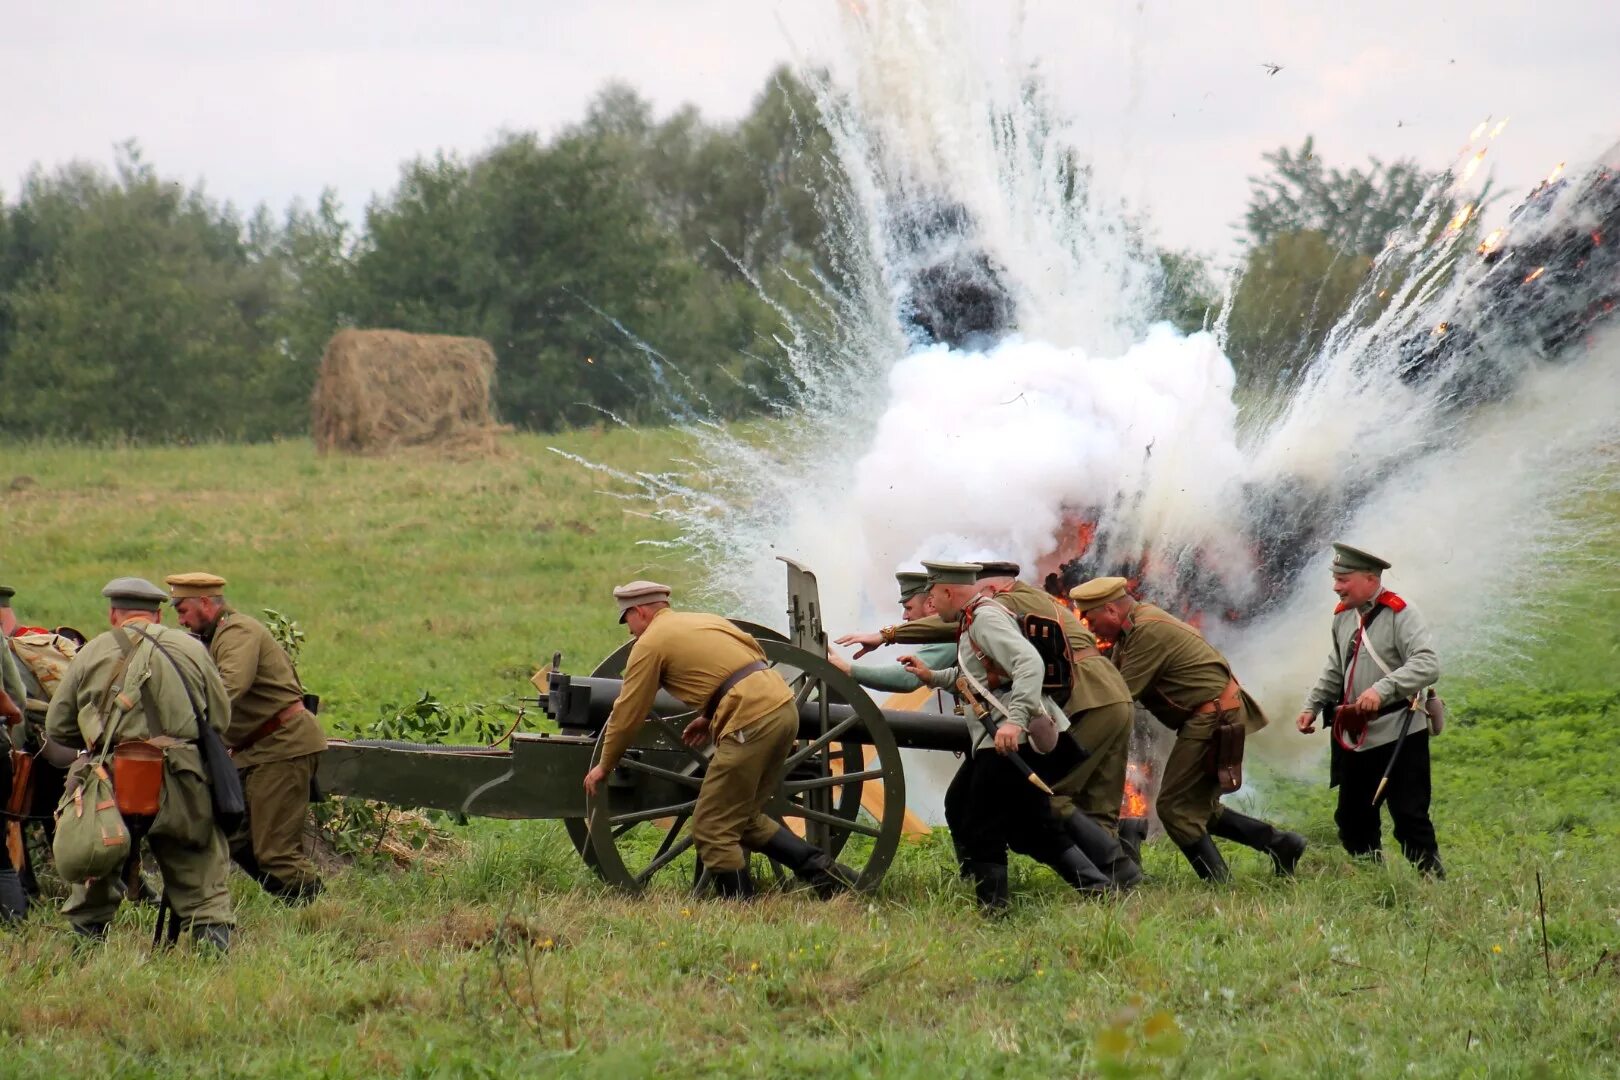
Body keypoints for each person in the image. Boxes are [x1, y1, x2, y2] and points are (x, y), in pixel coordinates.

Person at [582, 581, 851, 899]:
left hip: (749, 721)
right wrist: (709, 715)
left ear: (639, 611)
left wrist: (604, 765)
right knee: (743, 818)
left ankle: (741, 908)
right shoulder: (703, 620)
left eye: (627, 620)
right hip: (782, 709)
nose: (629, 631)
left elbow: (628, 711)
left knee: (711, 826)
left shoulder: (650, 643)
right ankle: (832, 880)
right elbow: (753, 657)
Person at [897, 561, 1111, 910]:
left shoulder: (985, 619)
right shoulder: (973, 620)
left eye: (934, 595)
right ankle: (1100, 888)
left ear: (949, 592)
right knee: (1027, 825)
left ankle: (994, 909)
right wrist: (932, 677)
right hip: (999, 736)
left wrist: (1014, 720)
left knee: (979, 819)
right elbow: (979, 677)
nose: (931, 604)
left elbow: (1029, 663)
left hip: (1011, 737)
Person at [1072, 576, 1305, 882]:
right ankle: (1280, 844)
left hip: (1213, 717)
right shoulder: (1135, 628)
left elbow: (1120, 695)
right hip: (1215, 714)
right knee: (1199, 807)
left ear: (1112, 611)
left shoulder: (1146, 631)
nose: (1088, 626)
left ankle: (1220, 883)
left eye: (1090, 617)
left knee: (1174, 808)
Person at [45, 577, 234, 949]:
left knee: (95, 866)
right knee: (198, 868)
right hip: (182, 776)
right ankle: (214, 954)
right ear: (159, 614)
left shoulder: (93, 651)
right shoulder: (192, 650)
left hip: (110, 778)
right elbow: (220, 720)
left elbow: (58, 727)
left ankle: (84, 952)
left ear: (114, 613)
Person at [971, 562, 1140, 888]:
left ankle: (1119, 870)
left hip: (1089, 695)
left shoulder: (1002, 604)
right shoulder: (1032, 596)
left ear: (993, 590)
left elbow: (954, 622)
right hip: (1113, 693)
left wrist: (889, 635)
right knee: (1098, 803)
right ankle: (1115, 882)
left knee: (1051, 793)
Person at [166, 572, 328, 903]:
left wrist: (178, 720)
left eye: (182, 610)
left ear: (206, 603)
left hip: (281, 746)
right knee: (233, 834)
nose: (180, 620)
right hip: (254, 750)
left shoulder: (237, 632)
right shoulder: (215, 637)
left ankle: (322, 914)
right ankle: (294, 901)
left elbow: (228, 689)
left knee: (276, 853)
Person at [1296, 543, 1444, 877]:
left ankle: (1434, 883)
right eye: (1335, 578)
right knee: (1353, 820)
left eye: (1343, 578)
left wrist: (1382, 689)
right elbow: (1337, 666)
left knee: (1410, 818)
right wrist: (1313, 704)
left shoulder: (1400, 613)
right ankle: (1374, 882)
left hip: (1399, 731)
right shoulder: (1343, 615)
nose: (1336, 586)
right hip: (1355, 735)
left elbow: (1427, 663)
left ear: (1369, 578)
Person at [827, 571, 957, 695]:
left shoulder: (950, 639)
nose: (905, 616)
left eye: (908, 608)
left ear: (930, 605)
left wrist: (849, 670)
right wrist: (886, 636)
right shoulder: (950, 632)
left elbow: (908, 678)